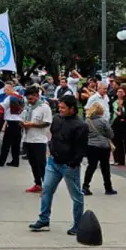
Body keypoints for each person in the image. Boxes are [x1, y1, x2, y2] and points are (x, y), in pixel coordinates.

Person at [29, 96, 88, 235]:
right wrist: (51, 150)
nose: (60, 110)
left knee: (76, 195)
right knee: (47, 190)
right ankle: (43, 219)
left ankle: (78, 224)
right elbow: (53, 136)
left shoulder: (81, 125)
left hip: (69, 165)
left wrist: (73, 162)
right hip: (54, 161)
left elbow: (81, 148)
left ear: (72, 109)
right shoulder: (57, 119)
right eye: (59, 107)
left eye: (63, 108)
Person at [21, 86, 52, 193]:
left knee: (41, 164)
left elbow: (47, 122)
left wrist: (32, 124)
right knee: (33, 163)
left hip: (39, 139)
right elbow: (22, 118)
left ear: (37, 96)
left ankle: (46, 186)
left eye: (31, 99)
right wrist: (22, 124)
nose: (29, 101)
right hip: (28, 138)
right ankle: (37, 183)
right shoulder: (27, 107)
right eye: (28, 99)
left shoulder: (44, 107)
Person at [82, 102, 115, 196]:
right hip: (103, 146)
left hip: (91, 146)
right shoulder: (103, 121)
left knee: (91, 166)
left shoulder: (87, 121)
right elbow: (111, 134)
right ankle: (108, 188)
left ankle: (85, 186)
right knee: (105, 167)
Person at [0, 86, 23, 167]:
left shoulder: (10, 97)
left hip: (11, 122)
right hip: (19, 122)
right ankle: (15, 161)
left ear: (10, 89)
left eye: (6, 90)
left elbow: (2, 107)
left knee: (6, 143)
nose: (5, 92)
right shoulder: (20, 97)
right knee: (16, 144)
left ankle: (1, 161)